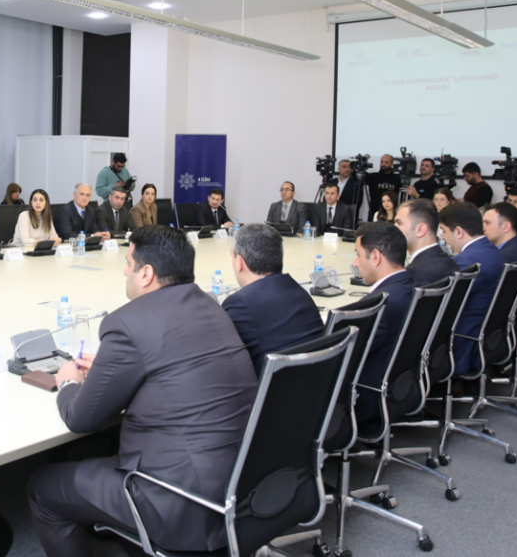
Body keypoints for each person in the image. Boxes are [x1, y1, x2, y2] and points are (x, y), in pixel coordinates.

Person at [27, 225, 256, 556]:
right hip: (243, 482)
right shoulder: (211, 305)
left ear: (146, 274)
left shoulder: (126, 323)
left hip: (176, 499)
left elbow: (80, 419)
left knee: (42, 487)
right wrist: (111, 368)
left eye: (128, 263)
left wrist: (68, 382)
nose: (124, 271)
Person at [221, 223, 324, 375]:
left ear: (239, 262)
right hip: (317, 383)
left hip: (271, 387)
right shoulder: (300, 293)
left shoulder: (240, 304)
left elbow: (222, 364)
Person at [351, 222, 414, 428]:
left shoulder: (376, 306)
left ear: (376, 257)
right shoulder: (411, 287)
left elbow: (345, 359)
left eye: (358, 255)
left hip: (367, 399)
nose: (355, 263)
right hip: (402, 388)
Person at [440, 202, 505, 375]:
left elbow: (442, 304)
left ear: (459, 232)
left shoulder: (466, 263)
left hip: (464, 341)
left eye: (444, 231)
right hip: (490, 336)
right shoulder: (493, 251)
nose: (443, 237)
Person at [395, 199, 458, 288]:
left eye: (399, 223)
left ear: (420, 230)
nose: (394, 227)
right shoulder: (449, 261)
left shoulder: (413, 275)